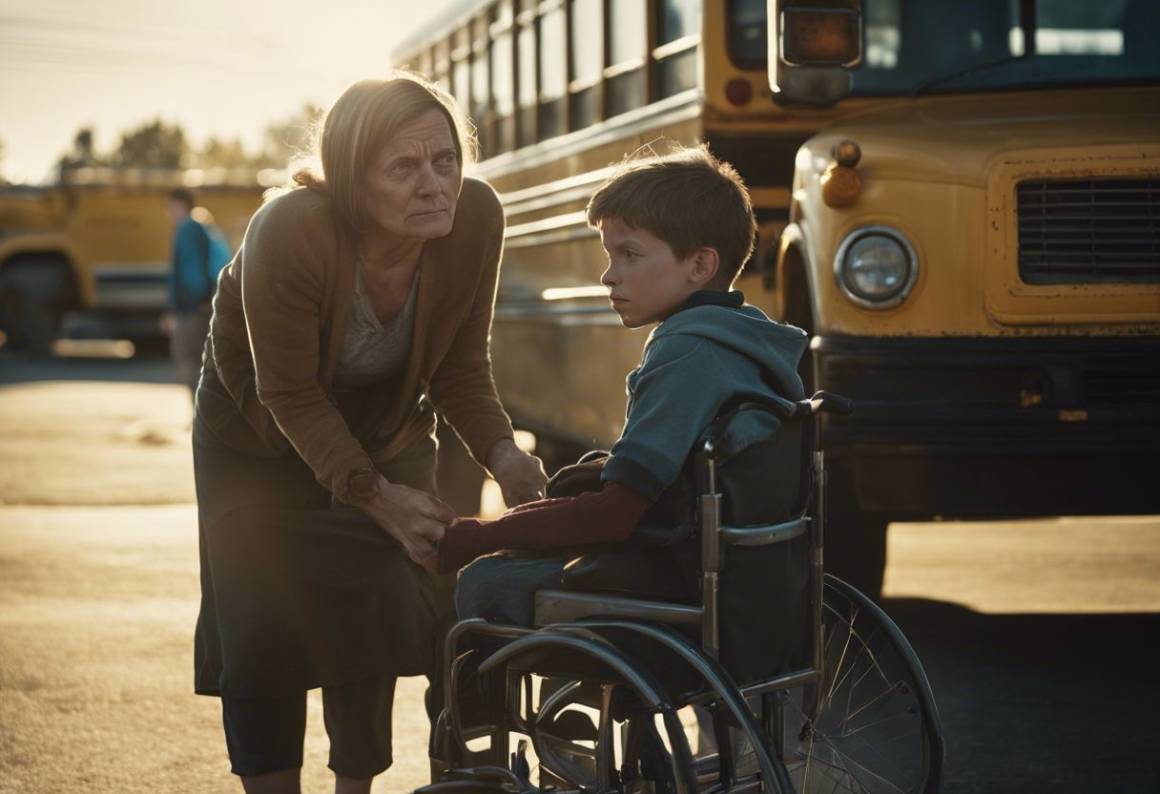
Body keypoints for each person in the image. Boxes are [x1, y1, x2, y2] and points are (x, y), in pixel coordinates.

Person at [192, 74, 547, 794]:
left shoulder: (475, 217)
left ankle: (356, 785)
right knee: (263, 618)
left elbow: (460, 363)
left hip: (388, 432)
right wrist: (373, 495)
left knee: (381, 600)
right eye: (402, 167)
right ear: (352, 182)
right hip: (257, 440)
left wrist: (503, 452)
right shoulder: (290, 228)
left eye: (444, 160)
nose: (433, 185)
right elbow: (286, 389)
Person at [433, 146, 809, 627]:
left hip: (677, 581)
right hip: (754, 582)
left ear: (699, 266)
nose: (609, 275)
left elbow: (613, 517)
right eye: (610, 256)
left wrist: (480, 536)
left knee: (487, 581)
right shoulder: (750, 342)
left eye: (629, 255)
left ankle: (476, 703)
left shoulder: (685, 355)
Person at [163, 187, 232, 396]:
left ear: (180, 205)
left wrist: (180, 306)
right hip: (205, 305)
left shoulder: (186, 230)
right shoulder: (204, 226)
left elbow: (188, 273)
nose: (168, 213)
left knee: (189, 364)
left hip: (192, 309)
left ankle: (197, 419)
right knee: (206, 363)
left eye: (170, 207)